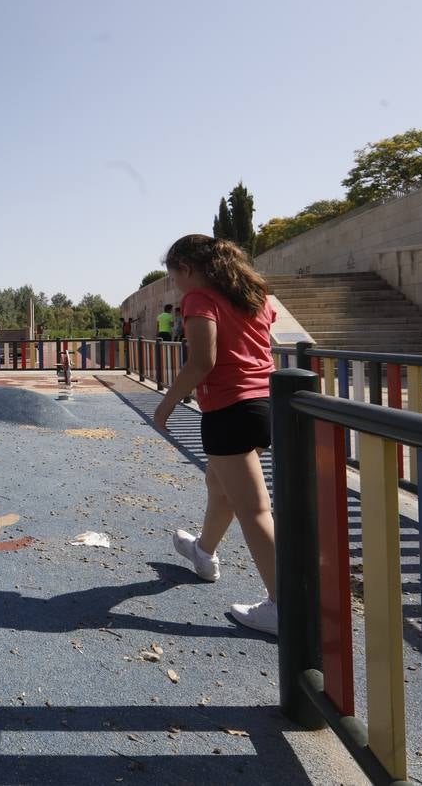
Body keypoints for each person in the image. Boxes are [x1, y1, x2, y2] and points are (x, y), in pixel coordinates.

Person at [152, 234, 279, 635]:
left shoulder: (199, 298)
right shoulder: (252, 294)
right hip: (264, 404)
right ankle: (204, 552)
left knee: (254, 508)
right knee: (220, 482)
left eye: (174, 279)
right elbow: (263, 345)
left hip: (229, 409)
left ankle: (284, 606)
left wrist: (167, 404)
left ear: (187, 269)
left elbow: (202, 360)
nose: (177, 288)